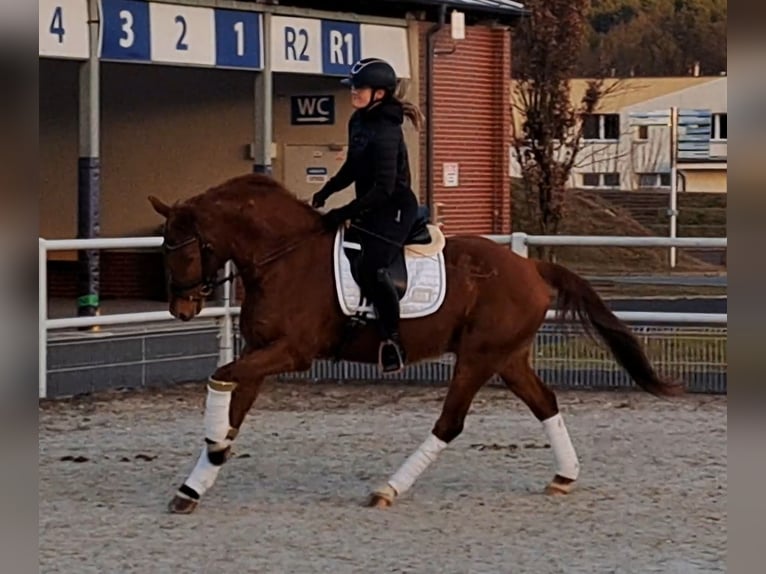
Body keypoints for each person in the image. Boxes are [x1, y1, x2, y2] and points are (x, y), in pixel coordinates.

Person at [311, 57, 424, 374]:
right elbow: (354, 167)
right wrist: (327, 191)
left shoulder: (388, 132)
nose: (354, 92)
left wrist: (343, 212)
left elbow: (384, 189)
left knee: (373, 267)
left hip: (395, 208)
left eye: (360, 88)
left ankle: (392, 340)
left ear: (380, 94)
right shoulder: (358, 121)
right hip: (370, 204)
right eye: (354, 87)